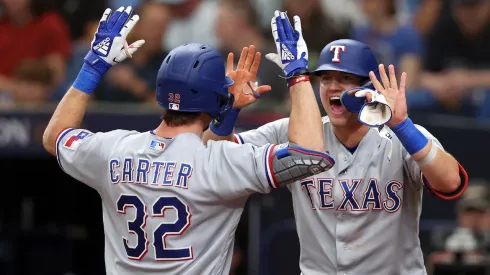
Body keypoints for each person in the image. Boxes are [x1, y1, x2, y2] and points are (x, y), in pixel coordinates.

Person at [42, 6, 334, 275]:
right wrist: (297, 74)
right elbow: (310, 155)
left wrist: (93, 66)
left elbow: (55, 135)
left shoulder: (114, 149)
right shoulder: (219, 163)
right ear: (216, 102)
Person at [203, 10, 470, 275]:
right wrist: (228, 113)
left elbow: (450, 182)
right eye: (326, 78)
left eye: (345, 79)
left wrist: (401, 124)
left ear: (369, 87)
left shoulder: (402, 137)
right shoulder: (296, 132)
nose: (333, 87)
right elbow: (211, 152)